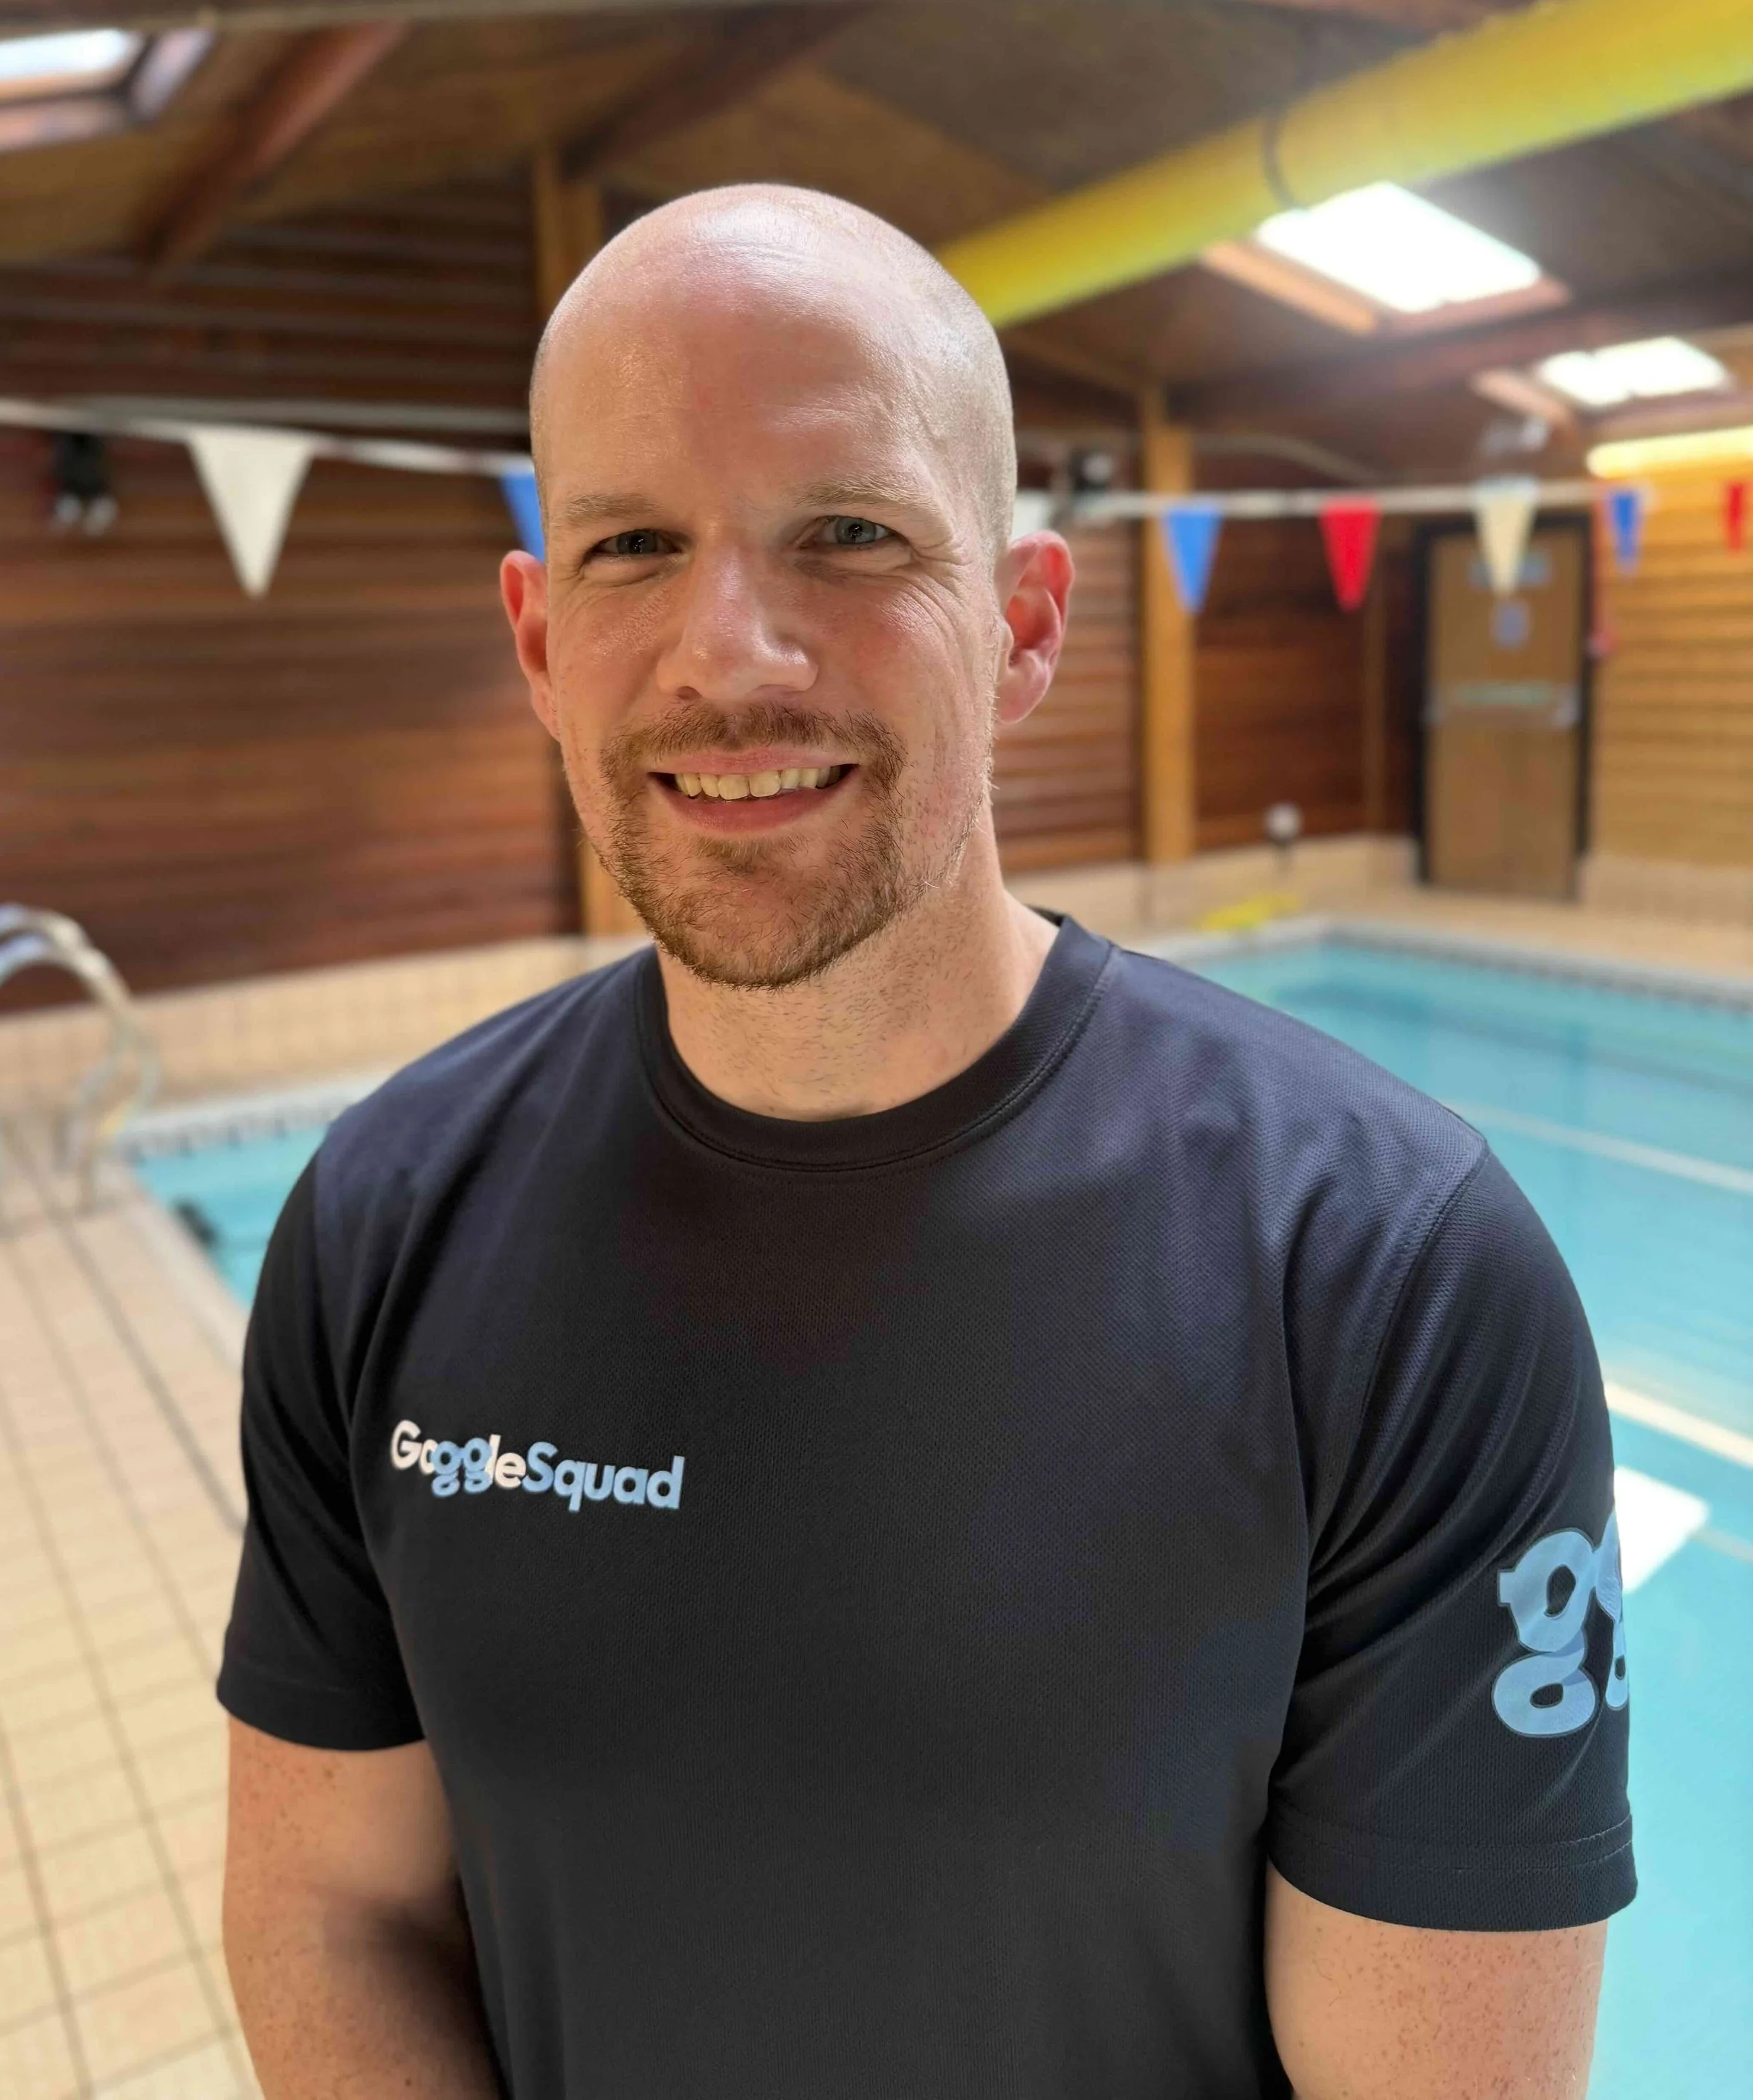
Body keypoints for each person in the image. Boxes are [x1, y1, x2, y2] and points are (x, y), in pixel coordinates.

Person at [218, 187, 1632, 2099]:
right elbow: (331, 1909)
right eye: (633, 545)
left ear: (1023, 623)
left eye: (849, 534)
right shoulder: (382, 1223)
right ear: (541, 644)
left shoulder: (1389, 1277)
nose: (731, 655)